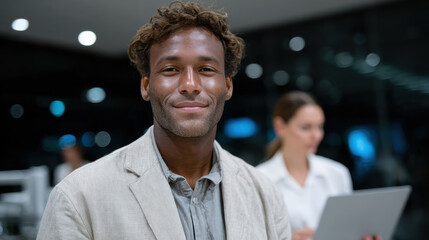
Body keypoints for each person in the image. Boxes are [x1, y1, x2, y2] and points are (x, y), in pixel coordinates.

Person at [36, 1, 291, 239]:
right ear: (146, 86)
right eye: (170, 69)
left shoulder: (264, 193)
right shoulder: (78, 197)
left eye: (206, 69)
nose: (190, 85)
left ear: (227, 85)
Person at [257, 91, 380, 240]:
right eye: (306, 127)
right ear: (280, 127)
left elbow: (346, 229)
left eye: (320, 127)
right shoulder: (260, 179)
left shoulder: (337, 173)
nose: (316, 135)